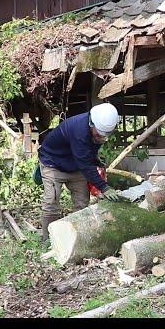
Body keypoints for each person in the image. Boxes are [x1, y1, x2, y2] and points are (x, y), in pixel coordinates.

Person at [37, 102, 123, 241]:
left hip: (74, 164)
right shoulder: (79, 130)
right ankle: (48, 240)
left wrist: (95, 159)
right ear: (91, 123)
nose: (101, 138)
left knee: (82, 203)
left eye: (103, 136)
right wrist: (104, 187)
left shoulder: (97, 129)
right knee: (51, 202)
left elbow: (87, 153)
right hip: (52, 162)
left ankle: (76, 240)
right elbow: (85, 164)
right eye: (99, 134)